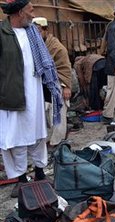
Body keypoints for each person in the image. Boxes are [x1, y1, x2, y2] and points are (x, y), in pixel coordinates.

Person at [0, 0, 63, 197]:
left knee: (38, 133)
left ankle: (40, 173)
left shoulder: (33, 32)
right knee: (16, 138)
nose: (33, 13)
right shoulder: (2, 34)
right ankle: (19, 178)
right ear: (19, 12)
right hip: (11, 94)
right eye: (30, 10)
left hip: (34, 92)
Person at [32, 17, 72, 147]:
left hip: (58, 83)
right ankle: (50, 139)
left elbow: (65, 67)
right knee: (47, 115)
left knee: (58, 113)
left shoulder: (56, 47)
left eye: (38, 30)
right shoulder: (36, 45)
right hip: (43, 84)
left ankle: (58, 141)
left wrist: (66, 87)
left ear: (45, 30)